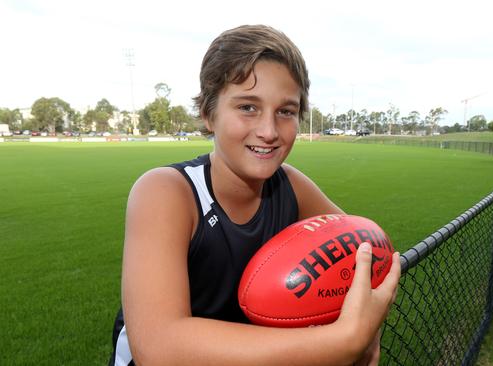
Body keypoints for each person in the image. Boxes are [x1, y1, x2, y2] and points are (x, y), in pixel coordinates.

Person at [109, 24, 401, 366]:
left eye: (286, 111)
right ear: (208, 113)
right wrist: (342, 340)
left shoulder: (290, 186)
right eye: (248, 107)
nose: (268, 131)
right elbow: (158, 348)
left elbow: (372, 252)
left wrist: (367, 324)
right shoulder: (166, 192)